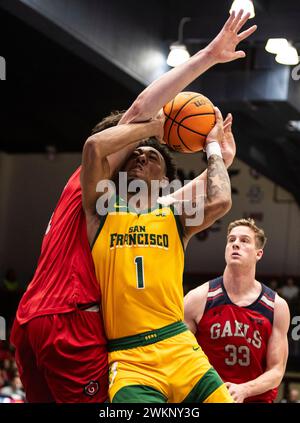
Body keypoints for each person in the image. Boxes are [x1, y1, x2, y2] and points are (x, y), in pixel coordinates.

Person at [11, 9, 256, 402]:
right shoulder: (100, 187)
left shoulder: (111, 201)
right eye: (134, 151)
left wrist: (220, 160)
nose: (141, 155)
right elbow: (141, 108)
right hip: (74, 319)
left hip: (30, 317)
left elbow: (177, 201)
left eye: (150, 156)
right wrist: (209, 55)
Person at [184, 218, 290, 403]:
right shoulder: (197, 299)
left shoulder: (276, 306)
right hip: (208, 397)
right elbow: (181, 356)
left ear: (259, 254)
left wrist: (244, 390)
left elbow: (276, 371)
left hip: (254, 399)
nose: (235, 244)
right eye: (231, 240)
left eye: (244, 240)